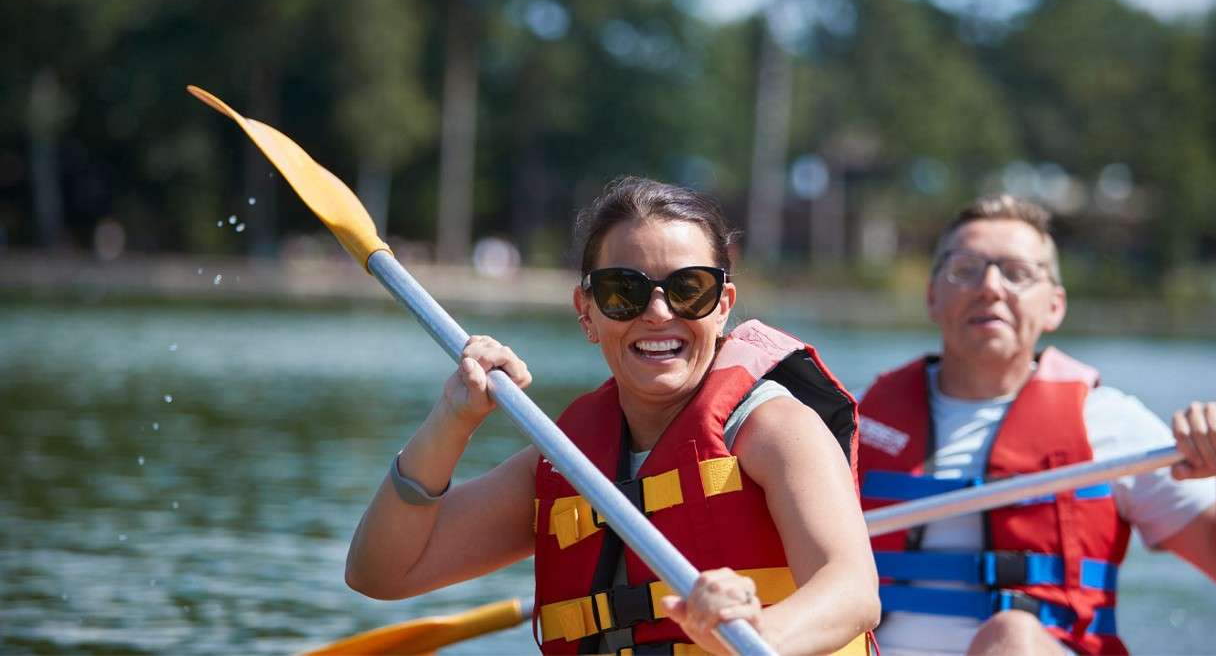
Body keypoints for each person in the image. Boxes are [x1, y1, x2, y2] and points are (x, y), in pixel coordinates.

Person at [345, 176, 881, 655]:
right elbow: (381, 572)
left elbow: (852, 593)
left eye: (688, 289)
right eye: (623, 291)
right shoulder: (564, 464)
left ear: (722, 306)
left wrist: (755, 636)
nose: (658, 312)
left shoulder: (777, 430)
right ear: (587, 313)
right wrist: (452, 419)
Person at [855, 194, 1216, 656]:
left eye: (1017, 273)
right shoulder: (853, 422)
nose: (991, 287)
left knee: (1011, 638)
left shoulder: (1111, 426)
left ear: (1055, 306)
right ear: (932, 295)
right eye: (966, 269)